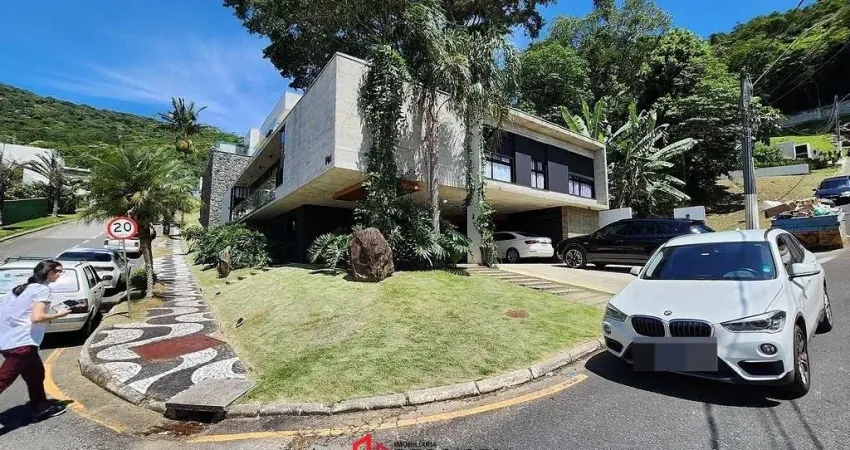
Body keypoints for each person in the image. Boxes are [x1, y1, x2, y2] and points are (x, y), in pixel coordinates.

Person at [0, 260, 70, 421]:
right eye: (58, 271)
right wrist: (59, 314)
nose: (60, 274)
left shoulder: (20, 289)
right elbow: (37, 317)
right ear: (48, 273)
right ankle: (40, 406)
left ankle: (40, 407)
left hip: (10, 340)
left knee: (36, 375)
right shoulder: (42, 290)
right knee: (3, 380)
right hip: (21, 344)